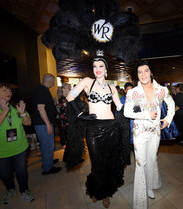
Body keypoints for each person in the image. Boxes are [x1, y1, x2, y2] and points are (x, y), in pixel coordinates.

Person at [66, 50, 125, 208]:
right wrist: (80, 114)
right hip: (93, 129)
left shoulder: (112, 88)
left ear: (106, 69)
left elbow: (120, 107)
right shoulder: (87, 81)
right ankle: (96, 190)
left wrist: (137, 104)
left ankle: (105, 193)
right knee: (96, 163)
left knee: (108, 162)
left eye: (101, 66)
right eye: (94, 66)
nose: (97, 68)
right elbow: (69, 97)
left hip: (111, 128)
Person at [124, 60, 175, 209]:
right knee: (141, 163)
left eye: (146, 71)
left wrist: (167, 119)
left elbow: (171, 105)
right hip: (140, 133)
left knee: (152, 160)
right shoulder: (133, 92)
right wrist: (147, 114)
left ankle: (150, 186)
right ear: (137, 75)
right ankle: (140, 201)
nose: (143, 74)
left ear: (151, 72)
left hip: (155, 132)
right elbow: (127, 112)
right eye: (140, 72)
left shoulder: (161, 90)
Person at [0, 83, 34, 204]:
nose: (8, 92)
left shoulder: (16, 106)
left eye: (9, 90)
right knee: (5, 174)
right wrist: (4, 111)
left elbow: (28, 123)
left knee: (22, 171)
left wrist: (23, 113)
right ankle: (10, 189)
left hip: (19, 147)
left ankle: (24, 190)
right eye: (4, 90)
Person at [32, 73, 62, 175]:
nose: (54, 83)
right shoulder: (42, 90)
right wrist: (48, 125)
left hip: (43, 123)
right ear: (50, 81)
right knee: (47, 146)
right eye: (53, 81)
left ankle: (48, 162)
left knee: (47, 146)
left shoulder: (43, 89)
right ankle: (47, 169)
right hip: (43, 124)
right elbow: (40, 108)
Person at [58, 83, 71, 148]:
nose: (70, 89)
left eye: (70, 88)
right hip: (66, 120)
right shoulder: (62, 99)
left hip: (70, 119)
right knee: (69, 137)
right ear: (63, 89)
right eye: (68, 88)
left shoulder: (68, 97)